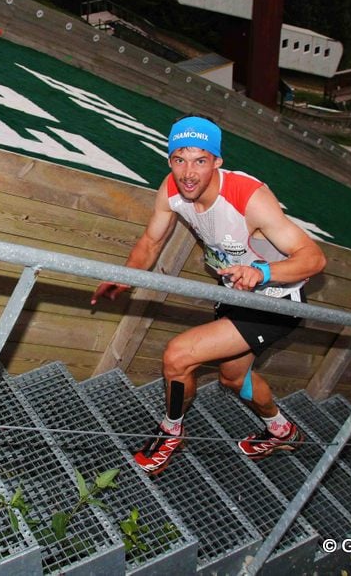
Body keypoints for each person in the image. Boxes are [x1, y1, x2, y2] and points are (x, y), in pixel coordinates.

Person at [91, 115, 326, 474]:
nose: (188, 173)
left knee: (179, 356)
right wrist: (126, 277)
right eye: (179, 160)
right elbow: (151, 241)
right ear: (169, 160)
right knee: (233, 378)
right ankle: (283, 430)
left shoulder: (248, 197)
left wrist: (261, 272)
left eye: (200, 160)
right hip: (235, 292)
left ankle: (170, 432)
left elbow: (313, 258)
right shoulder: (171, 189)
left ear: (217, 162)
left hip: (275, 301)